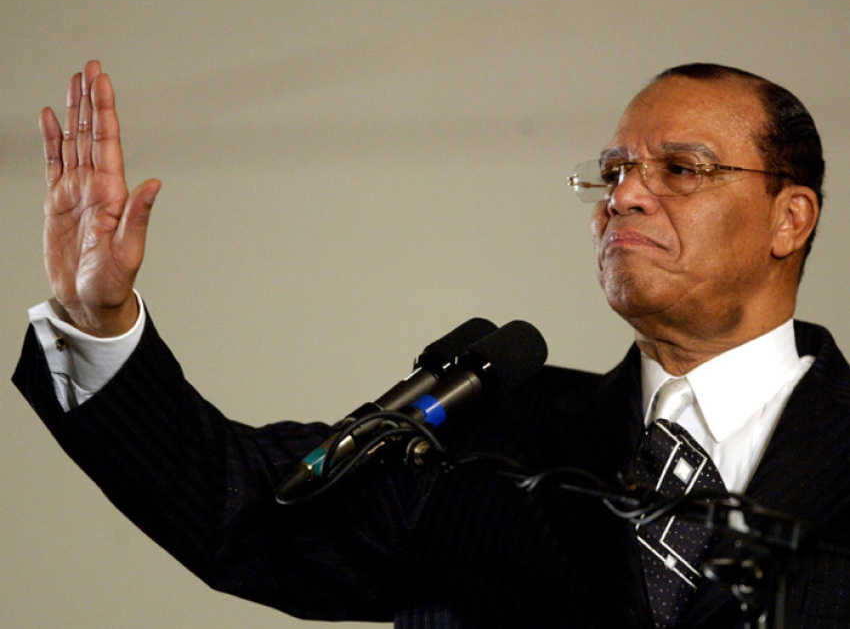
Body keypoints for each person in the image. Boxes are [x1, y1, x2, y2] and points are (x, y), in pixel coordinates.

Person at [14, 60, 850, 628]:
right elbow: (244, 512)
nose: (626, 194)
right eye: (615, 170)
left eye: (681, 169)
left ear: (790, 218)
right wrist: (98, 322)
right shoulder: (488, 428)